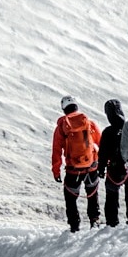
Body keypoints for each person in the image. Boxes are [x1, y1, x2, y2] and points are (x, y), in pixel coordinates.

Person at [51, 95, 102, 232]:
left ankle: (74, 226)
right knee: (92, 193)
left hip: (73, 169)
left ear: (64, 109)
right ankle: (95, 220)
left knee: (70, 197)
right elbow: (100, 142)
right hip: (91, 166)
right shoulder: (89, 123)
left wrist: (56, 171)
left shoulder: (62, 127)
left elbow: (56, 151)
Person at [98, 99, 128, 226]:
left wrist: (101, 169)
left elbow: (102, 153)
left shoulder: (108, 131)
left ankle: (112, 223)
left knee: (111, 196)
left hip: (114, 169)